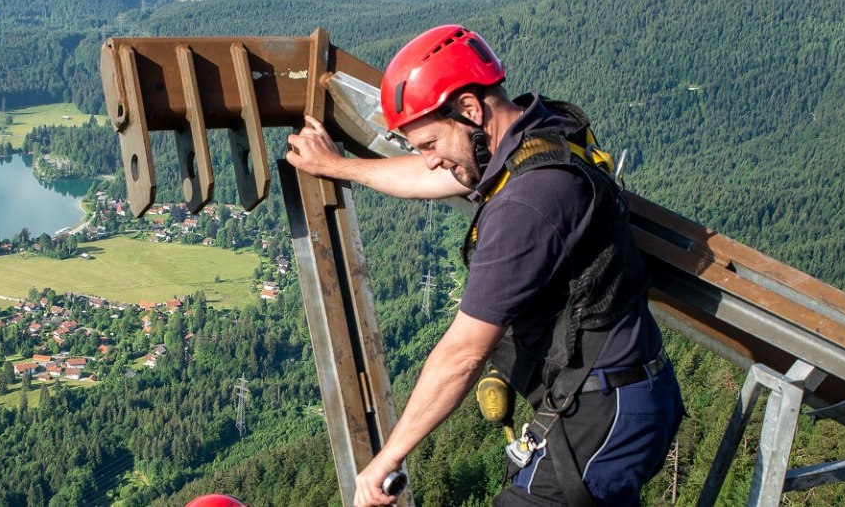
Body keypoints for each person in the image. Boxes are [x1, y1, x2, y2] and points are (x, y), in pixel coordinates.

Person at [286, 25, 684, 507]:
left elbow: (461, 356)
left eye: (429, 143)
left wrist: (386, 461)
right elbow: (434, 175)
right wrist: (339, 167)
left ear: (471, 110)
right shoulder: (541, 133)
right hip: (623, 395)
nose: (429, 162)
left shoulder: (528, 203)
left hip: (603, 411)